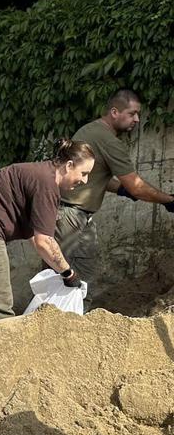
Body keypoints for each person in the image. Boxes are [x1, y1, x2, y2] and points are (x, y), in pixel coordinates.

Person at [0, 141, 95, 327]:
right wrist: (68, 273)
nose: (85, 181)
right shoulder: (47, 185)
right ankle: (3, 355)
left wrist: (60, 270)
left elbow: (35, 236)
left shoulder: (43, 174)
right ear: (69, 166)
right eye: (84, 173)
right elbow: (44, 242)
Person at [56, 89, 174, 293]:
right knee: (69, 283)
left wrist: (121, 189)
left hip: (69, 214)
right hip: (71, 217)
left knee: (70, 280)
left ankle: (65, 322)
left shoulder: (89, 130)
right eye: (132, 113)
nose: (137, 119)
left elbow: (93, 176)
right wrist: (169, 200)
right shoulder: (109, 141)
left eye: (138, 114)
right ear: (114, 112)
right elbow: (136, 187)